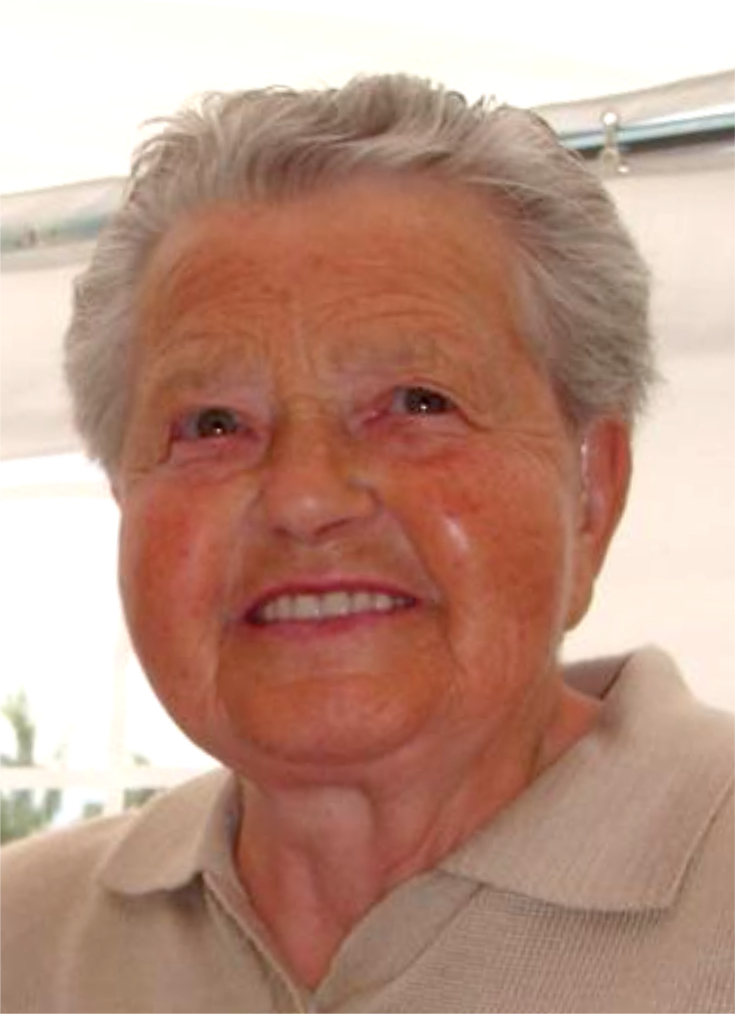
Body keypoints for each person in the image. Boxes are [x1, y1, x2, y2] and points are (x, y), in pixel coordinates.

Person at [1, 73, 732, 1014]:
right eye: (213, 424)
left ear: (591, 489)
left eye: (417, 404)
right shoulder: (25, 943)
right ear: (126, 499)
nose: (304, 497)